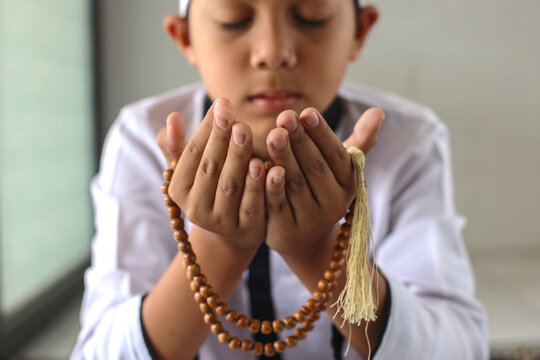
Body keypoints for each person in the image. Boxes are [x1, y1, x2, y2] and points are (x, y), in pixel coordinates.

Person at [72, 0, 488, 359]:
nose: (273, 52)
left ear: (359, 32)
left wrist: (318, 251)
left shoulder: (406, 142)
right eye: (234, 19)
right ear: (184, 38)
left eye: (312, 16)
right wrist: (218, 245)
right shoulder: (142, 140)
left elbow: (457, 348)